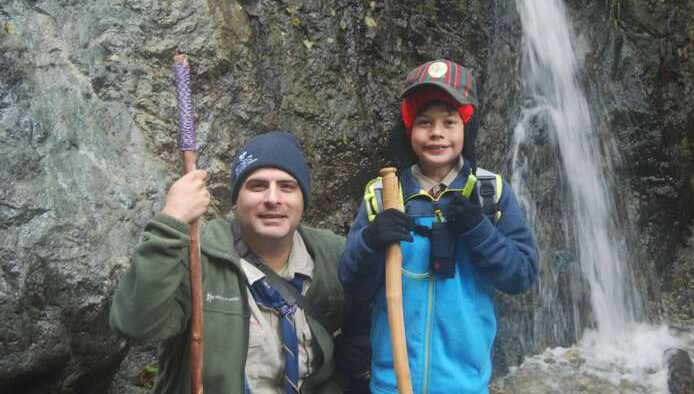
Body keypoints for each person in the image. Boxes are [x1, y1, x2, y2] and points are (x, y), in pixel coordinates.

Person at [110, 131, 369, 393]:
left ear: (303, 200)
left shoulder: (332, 254)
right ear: (235, 200)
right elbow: (135, 325)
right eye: (257, 186)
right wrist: (171, 220)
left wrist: (338, 382)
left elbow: (370, 321)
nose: (273, 198)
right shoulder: (198, 257)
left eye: (287, 186)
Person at [338, 59, 538, 394]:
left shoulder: (490, 193)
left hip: (465, 386)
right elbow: (352, 282)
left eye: (449, 121)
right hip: (391, 385)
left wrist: (478, 229)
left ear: (465, 127)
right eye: (424, 122)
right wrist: (371, 242)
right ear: (408, 129)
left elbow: (521, 275)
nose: (437, 133)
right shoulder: (382, 195)